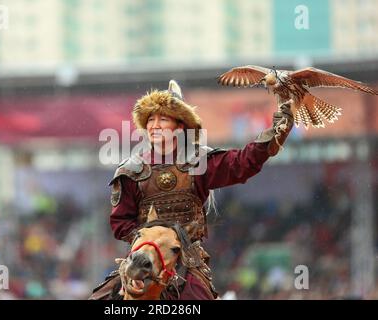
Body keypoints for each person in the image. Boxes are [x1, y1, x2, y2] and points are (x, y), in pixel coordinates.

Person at [90, 80, 293, 300]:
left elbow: (242, 164)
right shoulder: (130, 170)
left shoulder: (199, 161)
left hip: (186, 261)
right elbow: (120, 223)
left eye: (163, 119)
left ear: (179, 127)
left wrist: (276, 133)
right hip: (142, 258)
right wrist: (150, 240)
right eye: (150, 119)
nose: (155, 125)